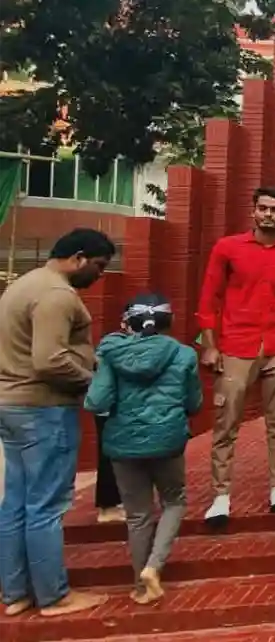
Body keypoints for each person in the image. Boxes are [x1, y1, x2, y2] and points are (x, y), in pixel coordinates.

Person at [0, 227, 114, 617]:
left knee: (16, 502)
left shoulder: (24, 284)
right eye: (98, 265)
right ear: (79, 257)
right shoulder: (57, 295)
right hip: (43, 408)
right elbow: (49, 360)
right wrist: (95, 381)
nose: (99, 274)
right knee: (46, 505)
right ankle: (53, 596)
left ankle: (16, 593)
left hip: (13, 404)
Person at [197, 187, 275, 525]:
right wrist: (210, 345)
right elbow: (209, 297)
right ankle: (221, 494)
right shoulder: (228, 247)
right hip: (236, 343)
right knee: (226, 420)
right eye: (263, 208)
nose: (268, 214)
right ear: (253, 211)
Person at [83, 294, 202, 605]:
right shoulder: (183, 354)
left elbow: (96, 402)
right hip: (168, 440)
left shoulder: (111, 354)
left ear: (129, 324)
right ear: (169, 322)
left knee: (138, 516)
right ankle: (154, 566)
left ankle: (140, 586)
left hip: (123, 444)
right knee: (174, 502)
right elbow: (194, 403)